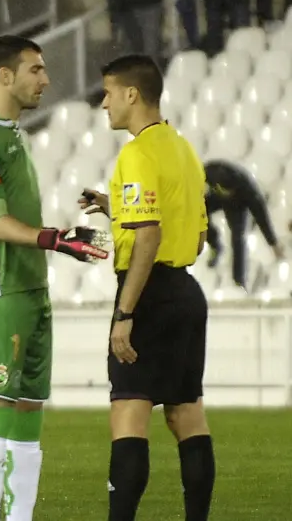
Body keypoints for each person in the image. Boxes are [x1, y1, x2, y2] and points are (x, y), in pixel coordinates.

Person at [0, 36, 108, 521]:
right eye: (35, 70)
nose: (46, 79)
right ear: (5, 76)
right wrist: (55, 240)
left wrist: (61, 238)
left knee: (28, 411)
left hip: (32, 289)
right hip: (0, 292)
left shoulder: (13, 134)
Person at [78, 54, 214, 521]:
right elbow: (196, 237)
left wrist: (125, 313)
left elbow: (149, 236)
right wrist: (114, 206)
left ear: (131, 94)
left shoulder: (136, 153)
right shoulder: (183, 149)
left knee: (129, 413)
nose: (104, 103)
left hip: (148, 296)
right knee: (186, 414)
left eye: (108, 93)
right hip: (185, 293)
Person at [204, 159, 285, 288]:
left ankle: (239, 281)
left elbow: (262, 218)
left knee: (238, 237)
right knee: (198, 210)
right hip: (218, 196)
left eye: (227, 190)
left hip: (238, 203)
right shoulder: (210, 172)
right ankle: (215, 244)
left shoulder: (250, 192)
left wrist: (273, 243)